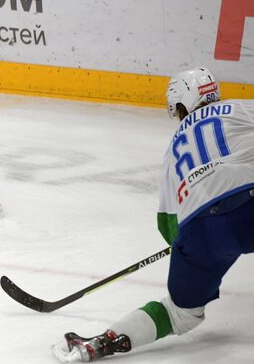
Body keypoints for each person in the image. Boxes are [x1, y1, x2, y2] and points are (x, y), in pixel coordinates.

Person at [52, 67, 254, 362]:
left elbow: (169, 226)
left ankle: (99, 344)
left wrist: (189, 247)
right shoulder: (240, 109)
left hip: (201, 231)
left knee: (180, 314)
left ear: (182, 106)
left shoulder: (173, 150)